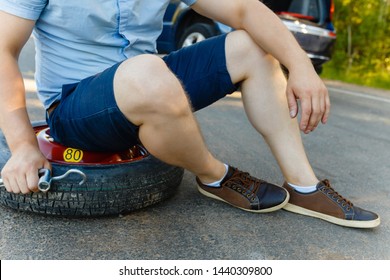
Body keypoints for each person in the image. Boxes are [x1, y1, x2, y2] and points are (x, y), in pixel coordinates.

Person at [0, 0, 379, 228]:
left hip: (150, 84)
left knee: (252, 45)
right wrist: (21, 145)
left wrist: (300, 65)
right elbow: (4, 50)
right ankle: (215, 175)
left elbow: (244, 9)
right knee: (147, 70)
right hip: (76, 107)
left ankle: (305, 187)